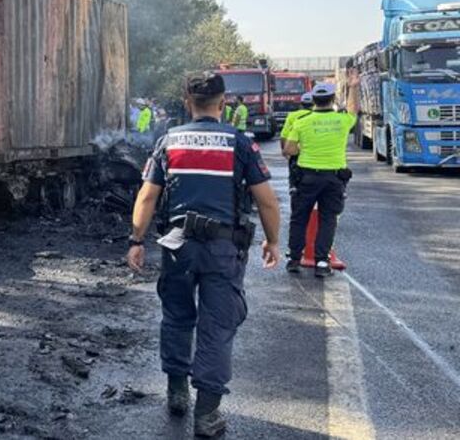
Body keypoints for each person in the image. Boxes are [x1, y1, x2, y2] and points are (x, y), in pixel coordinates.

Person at [127, 71, 281, 438]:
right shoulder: (240, 142)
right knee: (217, 326)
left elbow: (147, 197)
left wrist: (136, 239)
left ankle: (177, 392)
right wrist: (272, 241)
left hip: (177, 246)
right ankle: (207, 415)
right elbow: (266, 201)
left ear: (187, 102)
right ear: (223, 102)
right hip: (222, 249)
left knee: (177, 317)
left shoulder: (169, 141)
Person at [282, 83, 355, 277]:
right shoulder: (342, 120)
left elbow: (288, 150)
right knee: (328, 219)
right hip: (334, 178)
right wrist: (353, 87)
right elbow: (355, 109)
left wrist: (304, 150)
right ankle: (322, 262)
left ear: (313, 100)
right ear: (332, 100)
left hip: (307, 177)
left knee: (299, 218)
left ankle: (294, 259)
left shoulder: (302, 122)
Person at [280, 92, 315, 190]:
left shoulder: (292, 116)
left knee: (293, 169)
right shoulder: (317, 115)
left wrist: (284, 150)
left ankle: (293, 187)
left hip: (295, 150)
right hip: (312, 150)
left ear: (301, 104)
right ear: (314, 103)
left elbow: (283, 135)